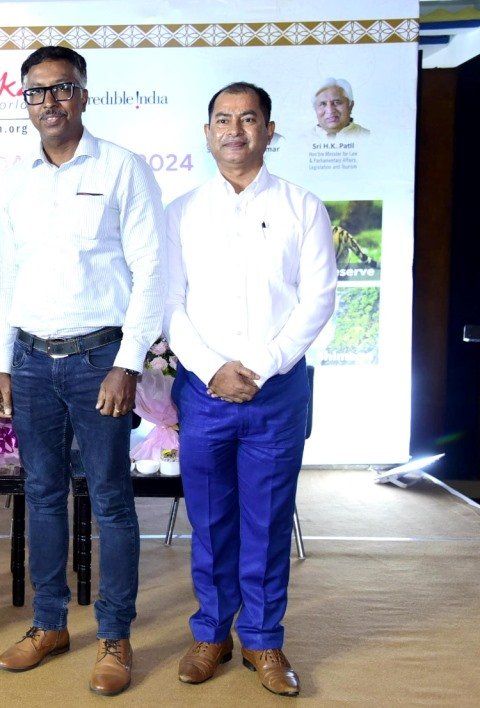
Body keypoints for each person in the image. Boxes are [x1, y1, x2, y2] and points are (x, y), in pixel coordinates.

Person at [0, 45, 166, 697]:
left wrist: (127, 362)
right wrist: (1, 363)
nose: (50, 102)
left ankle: (115, 636)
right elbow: (7, 277)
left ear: (84, 96)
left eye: (62, 88)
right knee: (41, 494)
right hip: (31, 361)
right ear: (26, 102)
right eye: (36, 92)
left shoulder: (122, 168)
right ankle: (49, 624)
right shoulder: (17, 181)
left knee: (111, 500)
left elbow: (152, 270)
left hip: (99, 361)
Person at [163, 81, 337, 697]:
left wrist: (260, 366)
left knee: (266, 521)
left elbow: (318, 299)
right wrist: (211, 367)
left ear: (269, 129)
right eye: (223, 119)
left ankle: (263, 640)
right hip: (203, 390)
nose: (234, 130)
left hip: (276, 392)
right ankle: (211, 634)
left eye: (248, 119)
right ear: (207, 132)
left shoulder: (302, 206)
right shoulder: (181, 212)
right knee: (210, 520)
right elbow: (169, 302)